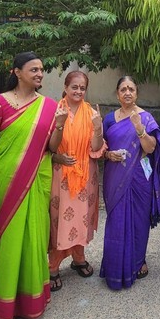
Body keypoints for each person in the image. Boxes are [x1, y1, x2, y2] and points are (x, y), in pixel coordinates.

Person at [0, 52, 63, 319]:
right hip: (5, 180)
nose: (40, 74)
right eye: (34, 70)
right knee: (10, 239)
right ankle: (4, 302)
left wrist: (60, 125)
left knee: (34, 238)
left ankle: (31, 298)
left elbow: (52, 147)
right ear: (17, 72)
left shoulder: (49, 106)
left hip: (37, 180)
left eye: (41, 70)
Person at [101, 76, 160, 290]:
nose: (127, 92)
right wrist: (108, 154)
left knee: (138, 221)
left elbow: (151, 148)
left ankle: (139, 261)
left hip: (139, 178)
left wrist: (139, 129)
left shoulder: (145, 118)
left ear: (136, 93)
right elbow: (102, 147)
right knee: (116, 220)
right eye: (123, 89)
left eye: (131, 89)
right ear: (117, 93)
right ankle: (113, 266)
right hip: (115, 176)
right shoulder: (109, 119)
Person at [48, 71, 105, 291]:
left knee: (82, 219)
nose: (79, 91)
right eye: (75, 87)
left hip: (85, 176)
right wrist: (58, 155)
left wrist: (98, 127)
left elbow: (96, 147)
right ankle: (53, 265)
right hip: (61, 175)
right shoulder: (54, 111)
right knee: (59, 220)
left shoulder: (90, 113)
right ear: (65, 86)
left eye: (82, 88)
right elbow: (47, 147)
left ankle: (79, 257)